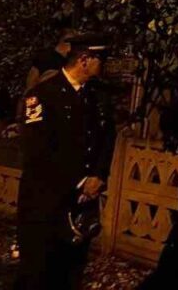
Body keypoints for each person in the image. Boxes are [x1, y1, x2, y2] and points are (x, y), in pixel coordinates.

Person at [16, 33, 115, 290]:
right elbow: (37, 151)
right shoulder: (41, 95)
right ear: (84, 60)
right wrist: (79, 182)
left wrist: (98, 175)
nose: (104, 65)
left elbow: (106, 139)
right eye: (100, 59)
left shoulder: (97, 97)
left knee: (71, 273)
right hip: (45, 201)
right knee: (38, 274)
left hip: (81, 204)